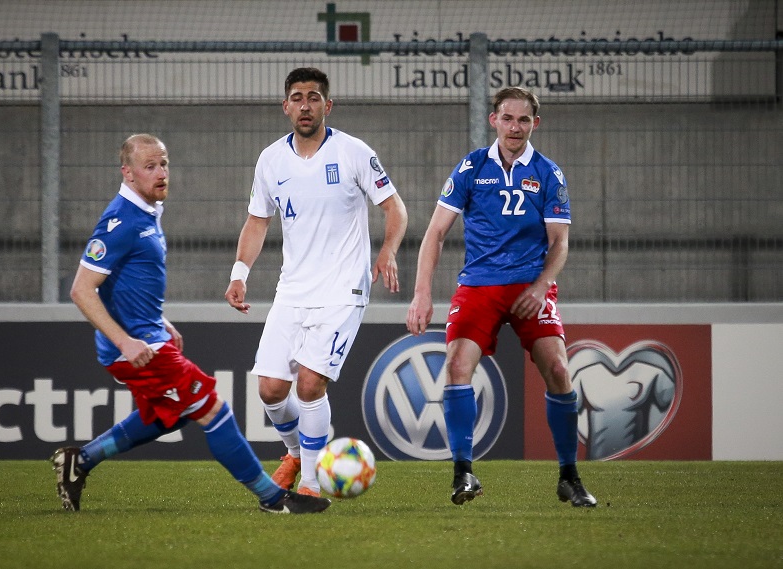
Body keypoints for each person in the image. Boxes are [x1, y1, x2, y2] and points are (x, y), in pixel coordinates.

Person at [50, 133, 331, 515]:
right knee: (213, 407)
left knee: (170, 414)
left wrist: (160, 321)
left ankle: (81, 460)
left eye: (163, 163)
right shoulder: (121, 221)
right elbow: (82, 290)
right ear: (128, 173)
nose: (161, 173)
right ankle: (273, 497)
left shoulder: (147, 212)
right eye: (150, 167)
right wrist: (125, 342)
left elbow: (123, 280)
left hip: (151, 337)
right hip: (139, 348)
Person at [406, 87, 597, 507]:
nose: (515, 127)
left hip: (531, 284)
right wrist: (422, 293)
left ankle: (569, 476)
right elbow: (435, 233)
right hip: (479, 284)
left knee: (561, 372)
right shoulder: (472, 167)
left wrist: (542, 285)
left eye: (524, 120)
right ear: (494, 120)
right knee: (457, 367)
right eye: (507, 118)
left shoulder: (549, 173)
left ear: (535, 124)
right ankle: (464, 474)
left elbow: (559, 242)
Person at [224, 68, 408, 496]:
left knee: (309, 383)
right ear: (285, 106)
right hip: (292, 289)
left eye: (313, 97)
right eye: (297, 97)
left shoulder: (354, 152)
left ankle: (309, 484)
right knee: (270, 390)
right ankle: (294, 452)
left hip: (343, 289)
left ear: (328, 105)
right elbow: (257, 220)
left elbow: (395, 208)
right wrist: (239, 274)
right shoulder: (271, 160)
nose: (305, 105)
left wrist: (387, 251)